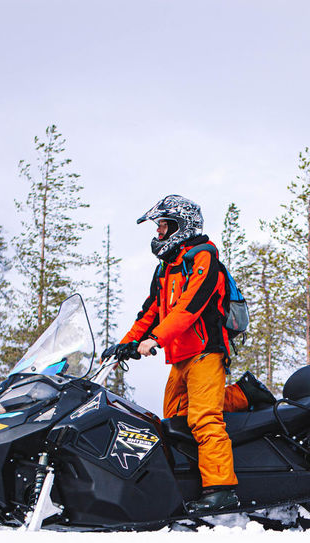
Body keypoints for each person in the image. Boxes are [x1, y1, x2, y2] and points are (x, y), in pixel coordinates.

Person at [109, 195, 273, 513]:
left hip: (205, 352)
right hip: (180, 357)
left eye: (163, 226)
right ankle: (243, 395)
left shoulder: (204, 258)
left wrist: (155, 339)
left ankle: (221, 489)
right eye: (158, 227)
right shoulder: (166, 269)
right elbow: (150, 312)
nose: (158, 233)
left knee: (204, 418)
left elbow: (191, 307)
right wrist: (124, 345)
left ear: (181, 226)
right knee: (175, 419)